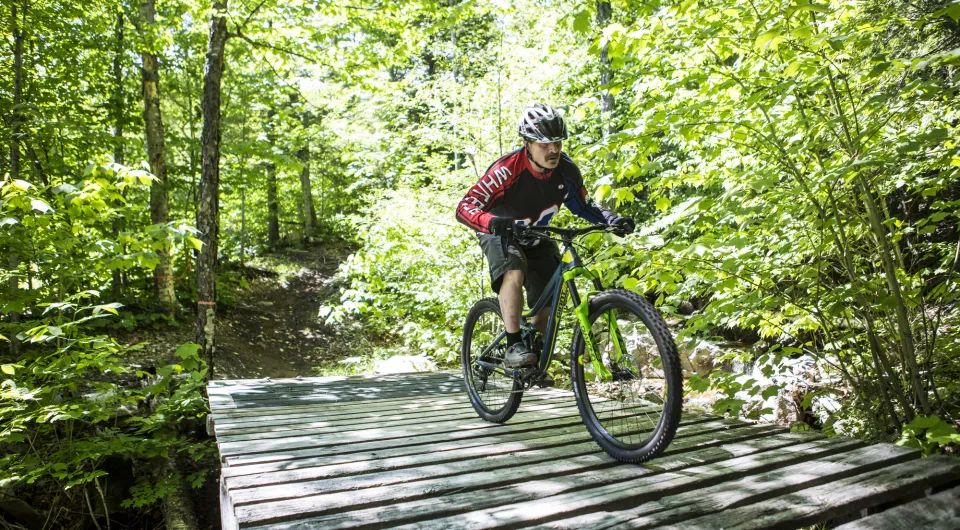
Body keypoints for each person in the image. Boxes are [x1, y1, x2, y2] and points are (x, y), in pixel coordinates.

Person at [455, 103, 635, 368]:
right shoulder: (506, 171)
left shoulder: (566, 171)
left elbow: (584, 206)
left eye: (558, 142)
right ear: (526, 142)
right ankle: (513, 344)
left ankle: (532, 361)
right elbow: (464, 208)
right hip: (500, 233)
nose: (553, 150)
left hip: (537, 235)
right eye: (544, 144)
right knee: (513, 270)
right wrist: (494, 222)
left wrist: (611, 219)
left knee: (548, 308)